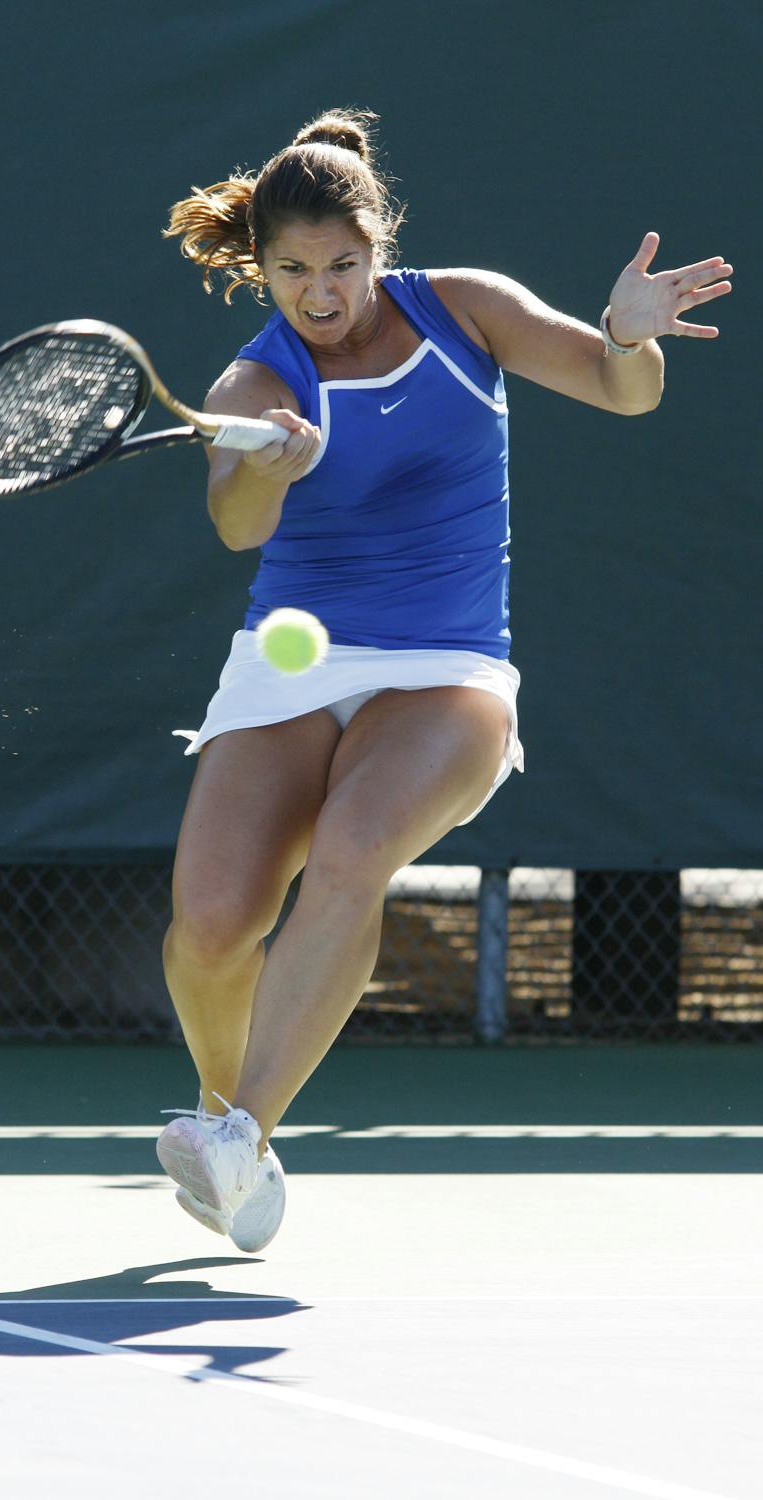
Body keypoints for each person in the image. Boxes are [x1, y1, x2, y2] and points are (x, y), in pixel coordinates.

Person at [154, 108, 732, 1252]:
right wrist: (270, 466)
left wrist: (628, 336)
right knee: (210, 927)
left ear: (382, 243)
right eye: (292, 272)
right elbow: (232, 526)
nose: (320, 294)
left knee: (357, 848)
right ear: (259, 268)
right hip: (295, 664)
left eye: (342, 265)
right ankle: (233, 1125)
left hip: (447, 665)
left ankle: (242, 1130)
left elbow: (625, 391)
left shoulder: (464, 307)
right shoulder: (249, 382)